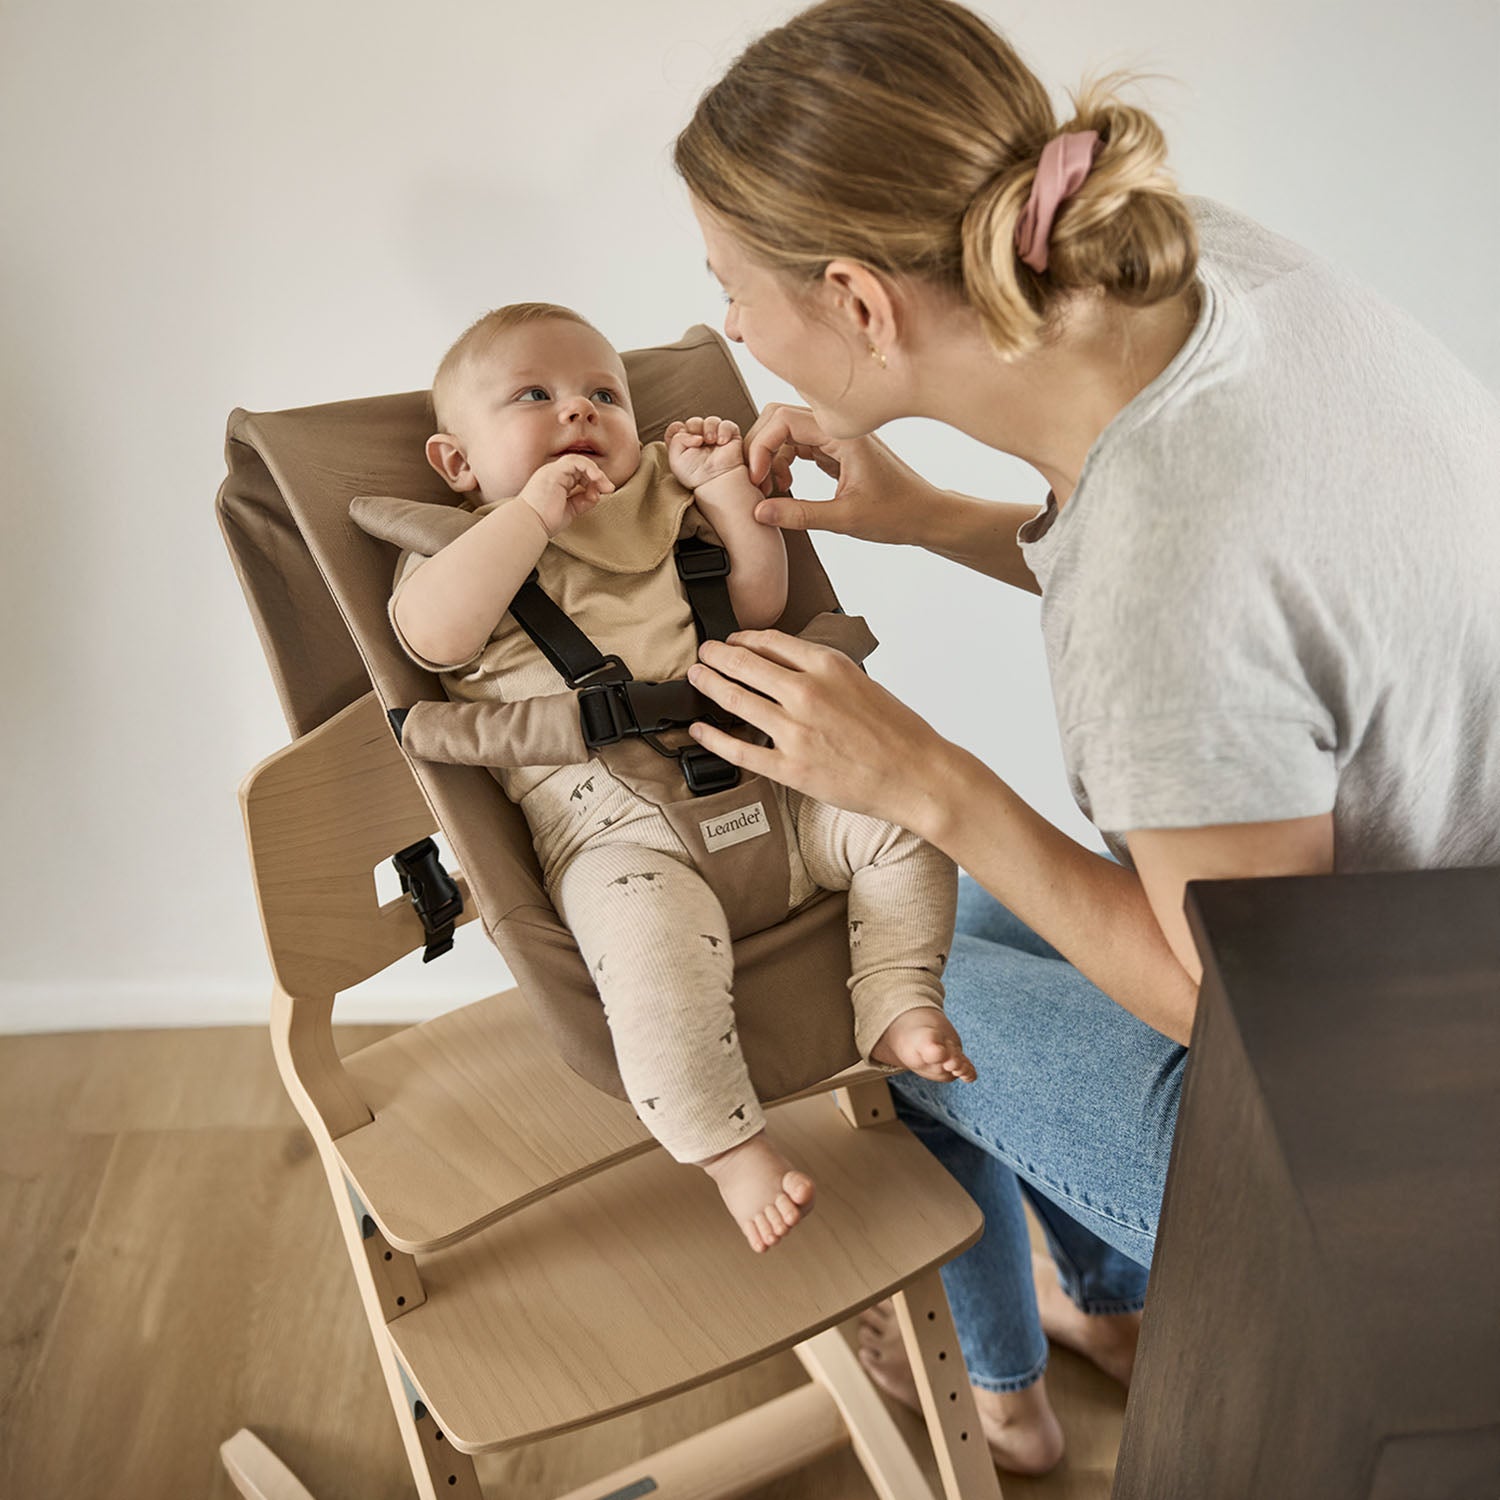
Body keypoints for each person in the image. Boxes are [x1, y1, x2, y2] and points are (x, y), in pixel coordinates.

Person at [671, 0, 1500, 1473]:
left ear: (858, 302)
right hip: (1430, 933)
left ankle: (1010, 1394)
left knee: (880, 977)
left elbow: (1230, 1005)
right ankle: (1109, 1312)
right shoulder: (1191, 263)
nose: (731, 326)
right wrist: (932, 518)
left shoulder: (1158, 583)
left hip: (1405, 1142)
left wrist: (929, 779)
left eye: (732, 288)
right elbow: (1270, 610)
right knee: (949, 920)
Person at [381, 301, 976, 1253]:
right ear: (458, 463)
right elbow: (434, 638)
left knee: (905, 822)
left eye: (604, 395)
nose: (578, 411)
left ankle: (896, 997)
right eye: (533, 396)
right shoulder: (461, 548)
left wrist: (723, 491)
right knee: (651, 970)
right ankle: (728, 1149)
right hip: (615, 840)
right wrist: (530, 516)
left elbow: (756, 604)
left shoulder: (665, 506)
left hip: (772, 794)